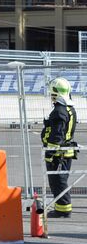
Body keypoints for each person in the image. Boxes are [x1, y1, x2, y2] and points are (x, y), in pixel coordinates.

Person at [41, 77, 78, 218]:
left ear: (57, 94)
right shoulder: (70, 109)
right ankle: (61, 207)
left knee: (58, 181)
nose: (51, 98)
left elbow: (57, 135)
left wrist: (50, 153)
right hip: (65, 153)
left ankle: (63, 210)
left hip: (58, 154)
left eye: (52, 95)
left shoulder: (59, 111)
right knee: (60, 180)